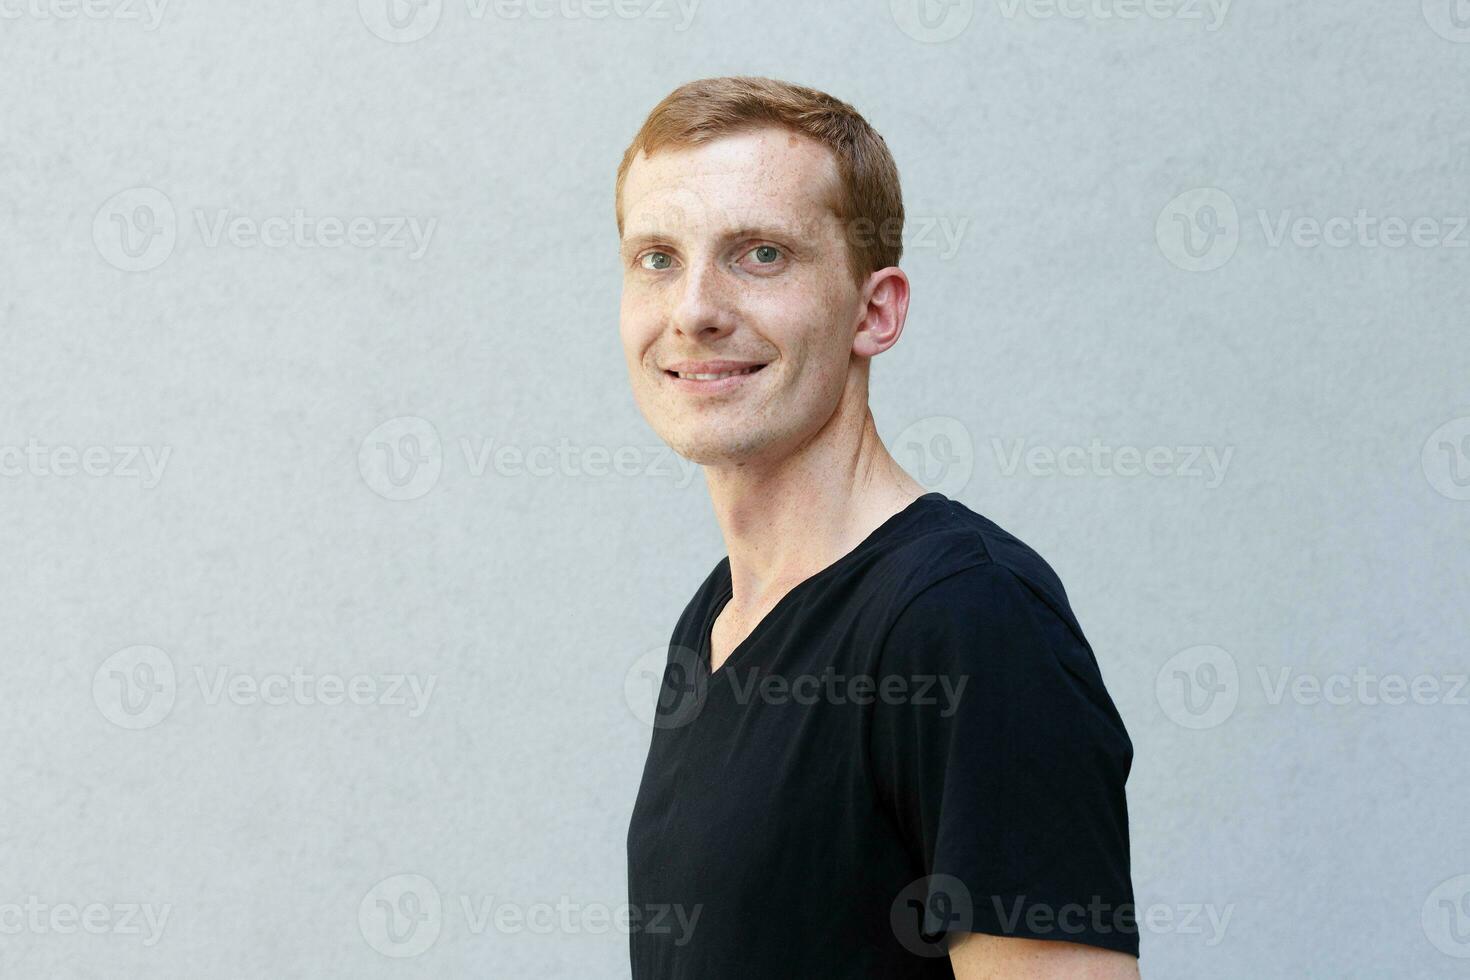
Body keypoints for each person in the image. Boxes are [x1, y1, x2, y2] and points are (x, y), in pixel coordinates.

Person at [617, 75, 1140, 979]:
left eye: (761, 254)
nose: (693, 309)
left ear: (876, 309)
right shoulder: (716, 622)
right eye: (657, 257)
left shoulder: (967, 618)